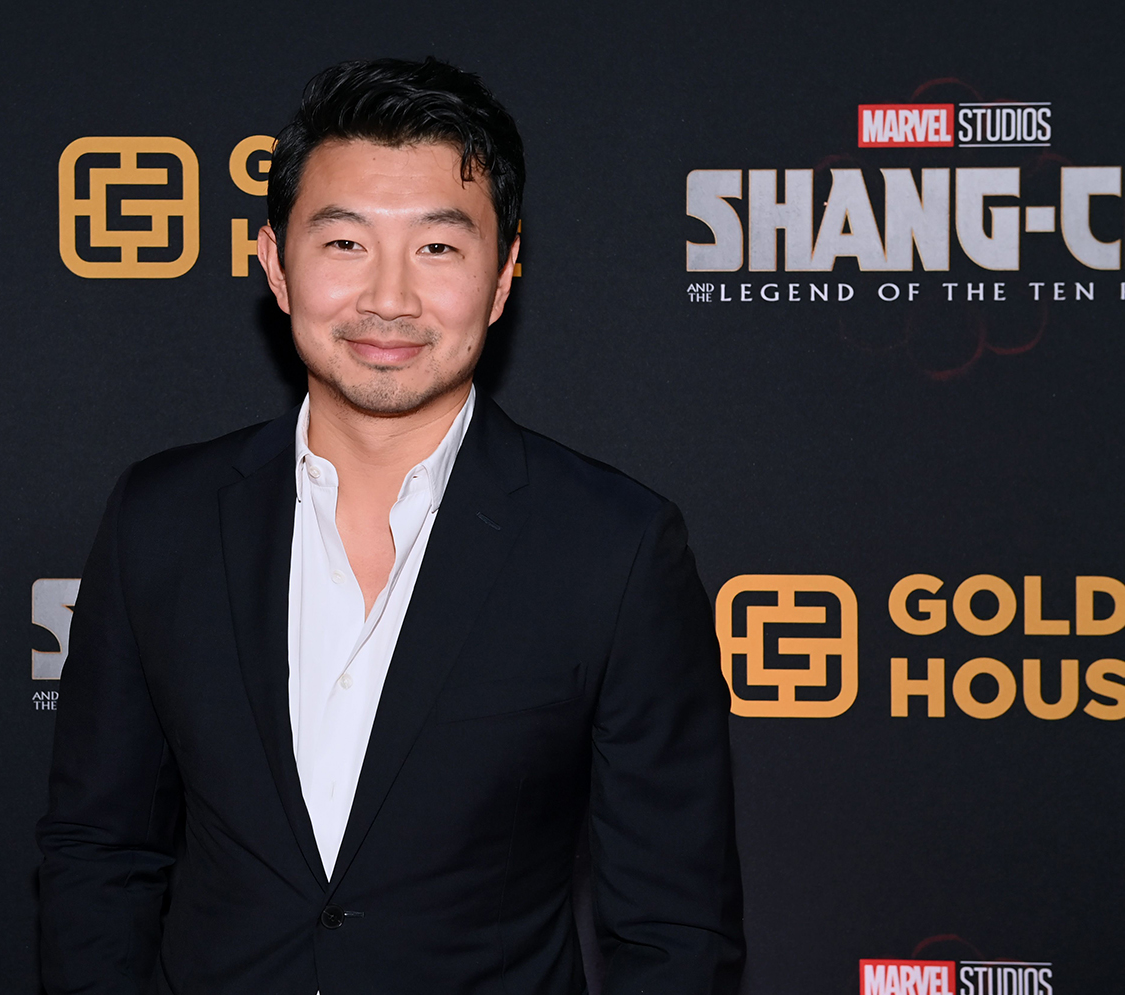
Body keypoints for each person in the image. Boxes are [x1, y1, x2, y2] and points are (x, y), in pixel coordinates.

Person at [37, 57, 743, 995]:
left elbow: (674, 927)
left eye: (438, 247)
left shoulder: (614, 548)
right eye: (345, 242)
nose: (389, 299)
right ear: (274, 264)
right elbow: (99, 850)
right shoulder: (160, 518)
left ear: (504, 275)